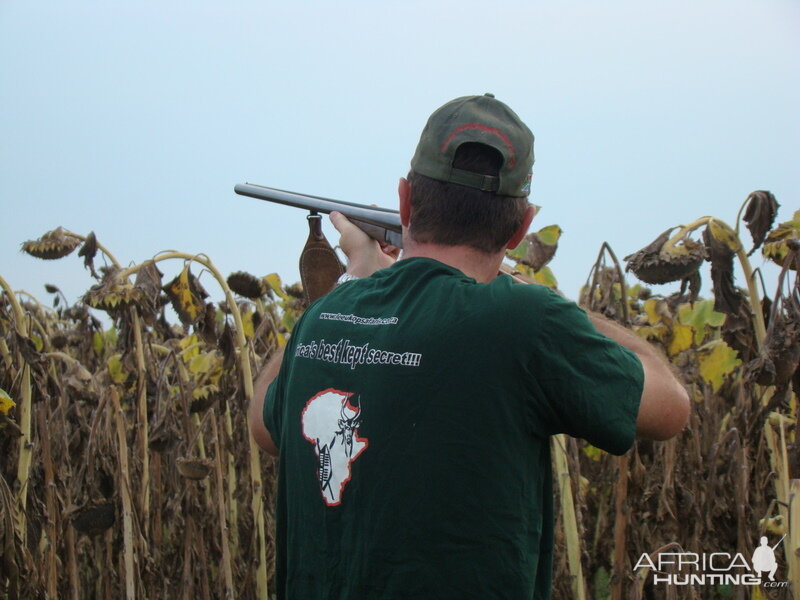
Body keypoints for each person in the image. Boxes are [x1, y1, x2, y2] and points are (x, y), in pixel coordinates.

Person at [249, 93, 690, 599]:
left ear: (406, 201)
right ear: (521, 227)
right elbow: (671, 405)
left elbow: (266, 425)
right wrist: (531, 289)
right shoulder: (525, 321)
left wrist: (354, 281)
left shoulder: (321, 319)